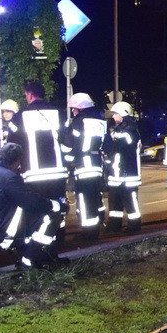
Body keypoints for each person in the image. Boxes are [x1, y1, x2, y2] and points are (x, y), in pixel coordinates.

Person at [14, 81, 68, 244]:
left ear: (29, 94)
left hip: (34, 174)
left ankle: (38, 241)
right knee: (58, 205)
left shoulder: (21, 115)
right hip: (58, 172)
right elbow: (67, 141)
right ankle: (58, 237)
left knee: (38, 208)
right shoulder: (58, 113)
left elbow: (14, 144)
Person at [60, 92, 107, 241]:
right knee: (94, 196)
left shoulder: (78, 122)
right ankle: (99, 221)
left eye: (74, 109)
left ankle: (89, 232)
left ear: (80, 108)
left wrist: (66, 158)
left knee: (85, 199)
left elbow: (68, 145)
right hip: (96, 164)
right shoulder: (100, 121)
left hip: (83, 165)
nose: (73, 111)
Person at [103, 101, 142, 233]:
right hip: (116, 174)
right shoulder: (118, 130)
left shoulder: (131, 131)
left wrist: (109, 143)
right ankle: (114, 225)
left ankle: (134, 226)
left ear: (124, 114)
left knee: (130, 201)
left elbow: (119, 147)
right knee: (114, 202)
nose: (113, 117)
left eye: (116, 114)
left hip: (127, 175)